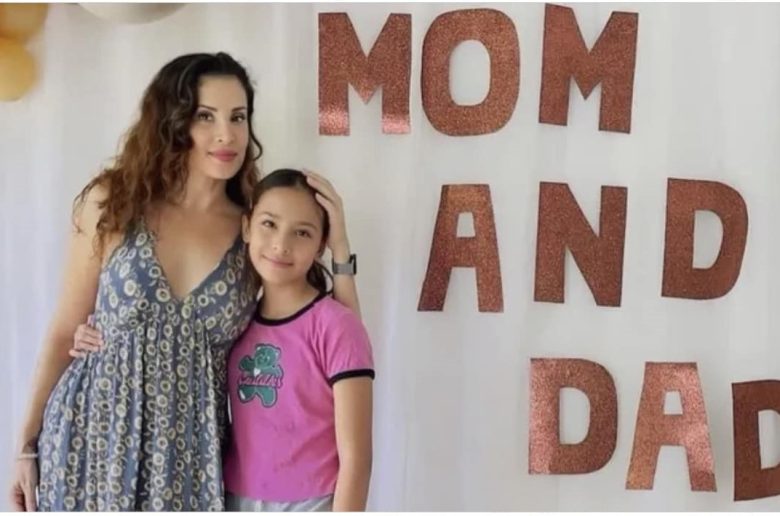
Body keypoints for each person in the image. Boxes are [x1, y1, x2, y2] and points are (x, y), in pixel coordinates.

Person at [10, 52, 361, 511]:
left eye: (238, 117)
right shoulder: (113, 202)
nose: (226, 134)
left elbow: (339, 337)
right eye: (205, 116)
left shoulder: (254, 229)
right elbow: (63, 331)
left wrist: (340, 249)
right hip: (90, 443)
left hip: (190, 462)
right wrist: (25, 445)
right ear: (173, 122)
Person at [222, 168, 373, 512]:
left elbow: (357, 459)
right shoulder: (233, 322)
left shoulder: (336, 327)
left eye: (302, 232)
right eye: (269, 224)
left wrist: (342, 247)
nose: (281, 245)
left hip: (313, 502)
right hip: (235, 499)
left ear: (320, 244)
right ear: (246, 227)